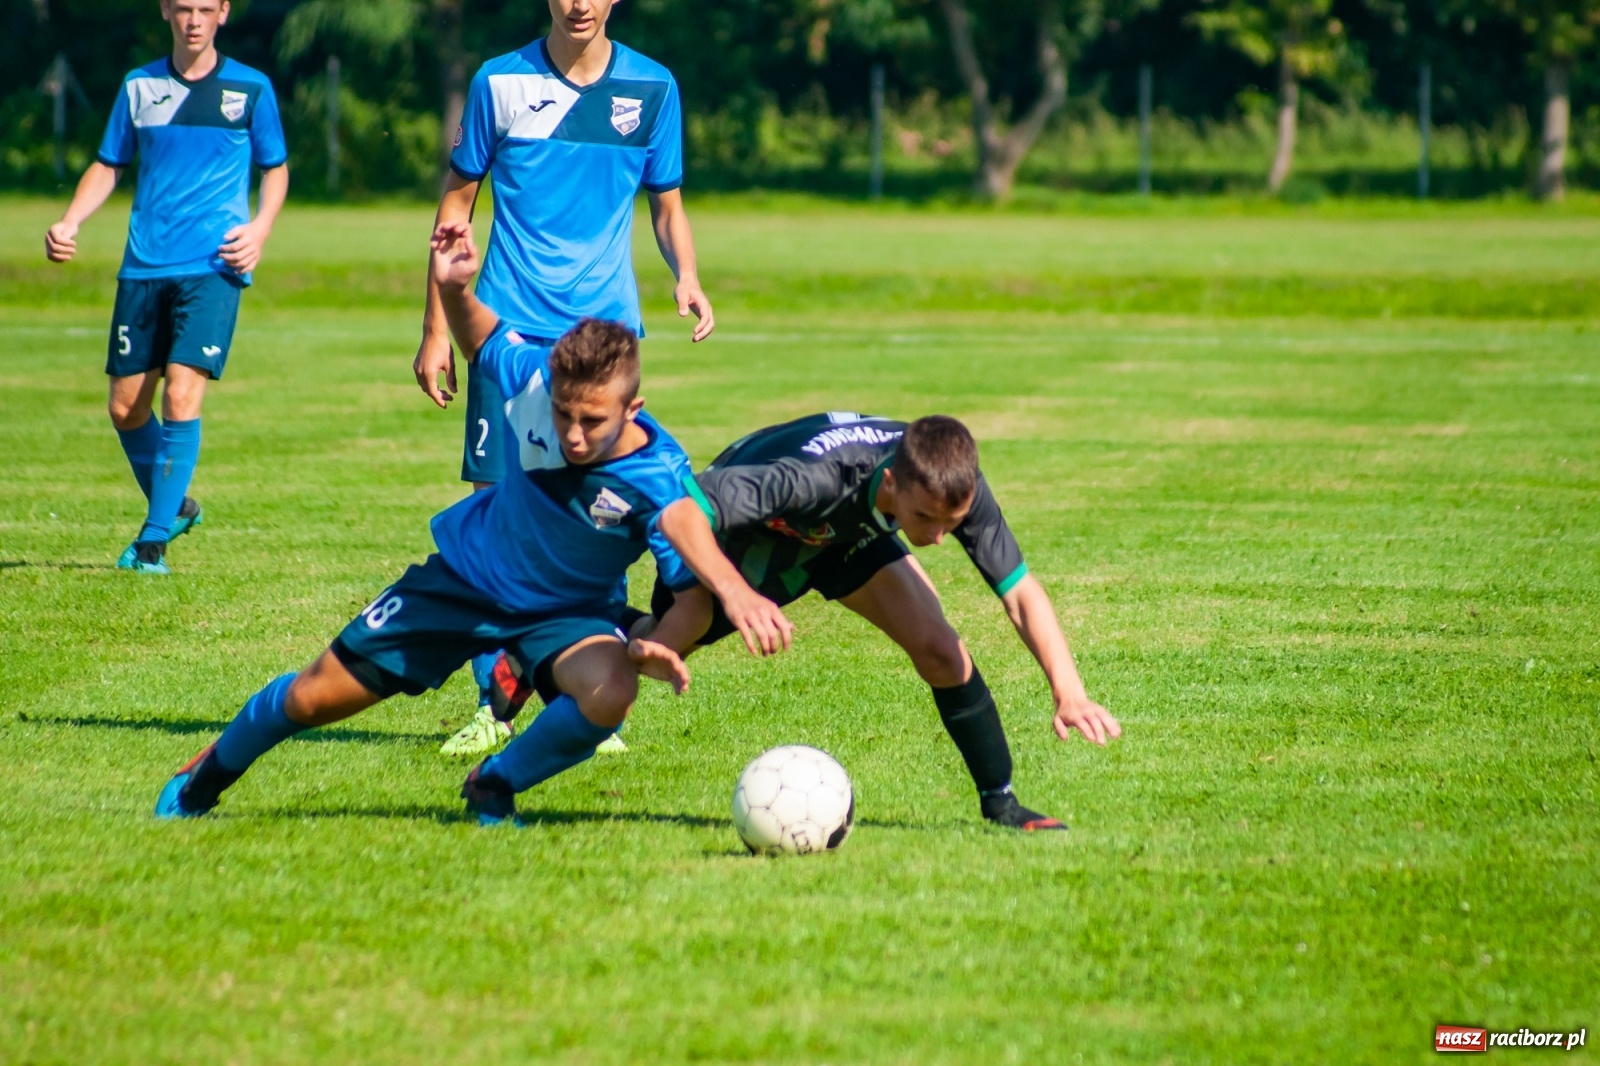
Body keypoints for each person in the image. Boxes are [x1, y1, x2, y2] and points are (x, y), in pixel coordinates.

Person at [154, 222, 789, 822]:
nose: (572, 433)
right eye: (565, 414)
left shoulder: (660, 470)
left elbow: (689, 566)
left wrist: (664, 642)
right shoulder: (539, 381)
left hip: (566, 616)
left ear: (634, 408)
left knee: (611, 689)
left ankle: (494, 784)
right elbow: (484, 338)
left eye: (592, 421)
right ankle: (208, 773)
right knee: (311, 700)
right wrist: (455, 289)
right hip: (465, 582)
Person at [413, 0, 714, 752]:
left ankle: (587, 693)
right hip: (508, 333)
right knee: (500, 515)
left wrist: (688, 275)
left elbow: (667, 205)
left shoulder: (654, 89)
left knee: (602, 516)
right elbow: (456, 205)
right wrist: (436, 330)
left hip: (603, 341)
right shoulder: (497, 83)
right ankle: (493, 704)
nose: (579, 3)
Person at [642, 412, 1123, 831]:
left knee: (940, 649)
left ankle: (1002, 804)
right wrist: (737, 594)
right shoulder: (820, 477)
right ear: (891, 481)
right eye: (926, 519)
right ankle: (591, 636)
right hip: (756, 532)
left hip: (845, 534)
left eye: (950, 523)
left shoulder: (954, 487)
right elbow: (682, 513)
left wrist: (1069, 692)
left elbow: (1020, 593)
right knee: (664, 648)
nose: (936, 538)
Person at [44, 0, 287, 574]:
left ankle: (152, 541)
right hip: (144, 266)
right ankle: (177, 505)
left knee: (181, 393)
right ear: (166, 12)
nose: (194, 20)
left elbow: (274, 167)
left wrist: (260, 230)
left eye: (206, 9)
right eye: (184, 9)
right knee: (127, 407)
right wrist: (70, 220)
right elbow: (109, 164)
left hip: (214, 265)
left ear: (223, 13)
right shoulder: (139, 87)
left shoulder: (251, 90)